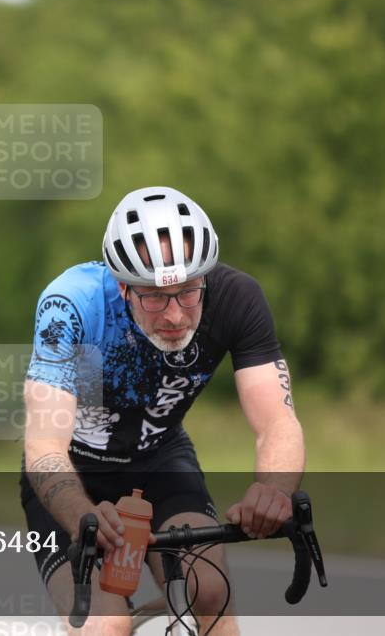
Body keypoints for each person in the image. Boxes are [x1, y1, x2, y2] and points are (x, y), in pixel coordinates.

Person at [20, 186, 305, 636]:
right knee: (105, 625)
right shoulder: (70, 305)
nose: (173, 315)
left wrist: (273, 490)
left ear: (205, 278)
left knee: (210, 590)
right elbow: (42, 446)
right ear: (122, 286)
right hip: (72, 473)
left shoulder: (238, 298)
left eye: (188, 292)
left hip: (160, 459)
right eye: (153, 296)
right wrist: (80, 515)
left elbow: (277, 421)